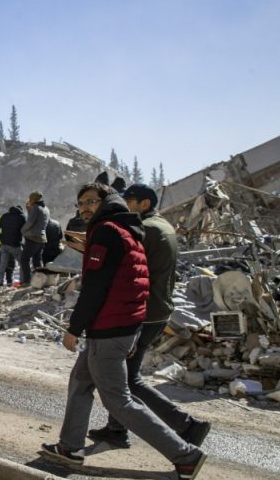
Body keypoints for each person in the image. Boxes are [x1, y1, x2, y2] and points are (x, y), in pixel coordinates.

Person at [41, 182, 207, 480]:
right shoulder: (127, 227)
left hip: (109, 329)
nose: (85, 208)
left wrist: (74, 328)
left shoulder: (106, 230)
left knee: (119, 401)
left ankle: (185, 455)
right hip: (124, 325)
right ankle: (69, 446)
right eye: (81, 204)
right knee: (80, 381)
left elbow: (96, 286)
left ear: (107, 201)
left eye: (91, 201)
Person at [88, 183, 211, 450]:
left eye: (129, 201)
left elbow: (126, 265)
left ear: (144, 203)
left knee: (128, 380)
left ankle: (187, 425)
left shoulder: (148, 230)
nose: (124, 206)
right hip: (157, 308)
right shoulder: (161, 226)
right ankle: (116, 428)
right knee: (125, 377)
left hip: (145, 310)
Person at [19, 191, 50, 286]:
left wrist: (22, 231)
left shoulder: (36, 208)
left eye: (30, 199)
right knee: (37, 260)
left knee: (24, 259)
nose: (29, 201)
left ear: (34, 199)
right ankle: (40, 281)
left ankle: (27, 281)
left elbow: (30, 222)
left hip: (33, 237)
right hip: (42, 238)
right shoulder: (46, 208)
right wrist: (29, 210)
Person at [0, 206, 25, 286]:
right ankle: (22, 281)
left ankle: (0, 282)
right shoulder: (21, 217)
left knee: (2, 264)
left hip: (4, 245)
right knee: (23, 263)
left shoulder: (5, 216)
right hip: (15, 245)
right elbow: (25, 231)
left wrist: (0, 238)